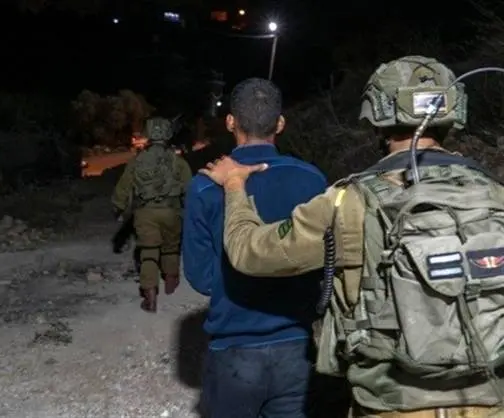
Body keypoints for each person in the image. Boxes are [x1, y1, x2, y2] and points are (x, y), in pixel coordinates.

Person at [199, 56, 504, 417]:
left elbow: (249, 252)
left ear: (376, 114)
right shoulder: (496, 195)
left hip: (391, 405)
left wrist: (235, 185)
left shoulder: (348, 202)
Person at [182, 77, 327, 418]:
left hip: (234, 349)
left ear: (230, 122)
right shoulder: (313, 180)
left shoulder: (205, 186)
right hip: (297, 347)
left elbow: (202, 278)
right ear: (280, 123)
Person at [112, 117, 192, 313]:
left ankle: (150, 297)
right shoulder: (178, 162)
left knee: (148, 253)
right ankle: (171, 282)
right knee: (171, 248)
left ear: (147, 134)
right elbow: (190, 189)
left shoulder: (137, 161)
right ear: (168, 135)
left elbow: (123, 188)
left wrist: (118, 207)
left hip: (145, 212)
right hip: (171, 211)